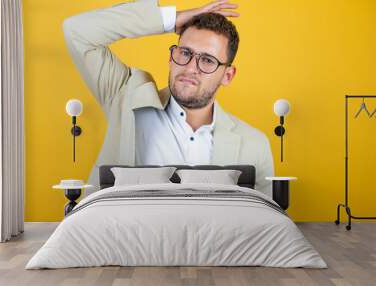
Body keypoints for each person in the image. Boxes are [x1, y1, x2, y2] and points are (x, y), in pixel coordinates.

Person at [62, 0, 274, 198]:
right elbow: (77, 31)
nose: (191, 68)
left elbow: (265, 219)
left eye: (207, 60)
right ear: (171, 57)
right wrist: (171, 20)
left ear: (227, 75)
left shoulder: (254, 145)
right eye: (185, 53)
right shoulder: (125, 94)